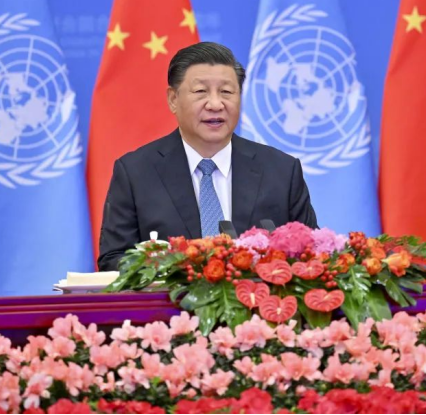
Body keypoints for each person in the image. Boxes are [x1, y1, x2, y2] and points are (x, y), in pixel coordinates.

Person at [98, 42, 317, 271]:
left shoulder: (282, 171)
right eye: (201, 92)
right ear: (173, 99)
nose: (215, 104)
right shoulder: (136, 173)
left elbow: (311, 255)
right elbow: (114, 260)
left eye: (226, 92)